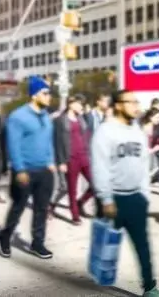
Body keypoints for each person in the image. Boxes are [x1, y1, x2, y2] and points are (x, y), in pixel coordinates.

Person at [92, 89, 159, 297]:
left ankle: (149, 286)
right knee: (107, 245)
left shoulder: (137, 132)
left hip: (135, 198)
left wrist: (144, 195)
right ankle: (101, 278)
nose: (136, 106)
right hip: (113, 198)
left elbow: (143, 166)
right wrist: (106, 199)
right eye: (130, 102)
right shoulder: (105, 131)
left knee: (143, 245)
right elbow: (100, 167)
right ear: (118, 105)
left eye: (136, 102)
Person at [0, 76, 57, 260]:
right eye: (45, 93)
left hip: (44, 171)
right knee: (18, 206)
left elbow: (49, 142)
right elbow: (13, 145)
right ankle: (5, 236)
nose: (49, 97)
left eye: (49, 93)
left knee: (41, 209)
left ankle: (37, 243)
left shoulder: (46, 116)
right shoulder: (18, 116)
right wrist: (19, 169)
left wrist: (51, 161)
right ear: (34, 95)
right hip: (25, 171)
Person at [53, 96, 96, 224]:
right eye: (79, 104)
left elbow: (88, 133)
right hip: (70, 158)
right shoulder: (60, 120)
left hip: (84, 156)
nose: (81, 106)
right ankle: (75, 215)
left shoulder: (81, 118)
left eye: (82, 104)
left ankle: (80, 202)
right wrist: (61, 161)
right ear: (70, 104)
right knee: (72, 189)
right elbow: (57, 142)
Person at [142, 108, 159, 194]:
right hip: (144, 154)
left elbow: (155, 141)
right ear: (151, 117)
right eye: (157, 117)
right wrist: (154, 148)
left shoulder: (155, 127)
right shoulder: (145, 128)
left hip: (151, 152)